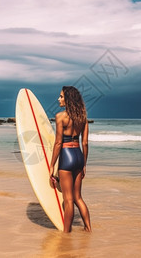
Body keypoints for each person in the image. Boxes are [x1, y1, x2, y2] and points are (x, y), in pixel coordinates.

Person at [49, 86, 92, 233]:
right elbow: (85, 143)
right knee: (78, 197)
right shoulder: (83, 118)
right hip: (79, 156)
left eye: (61, 96)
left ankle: (66, 234)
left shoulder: (60, 117)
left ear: (68, 99)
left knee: (68, 200)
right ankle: (88, 228)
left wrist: (51, 165)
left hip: (66, 156)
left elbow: (58, 143)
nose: (59, 99)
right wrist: (84, 164)